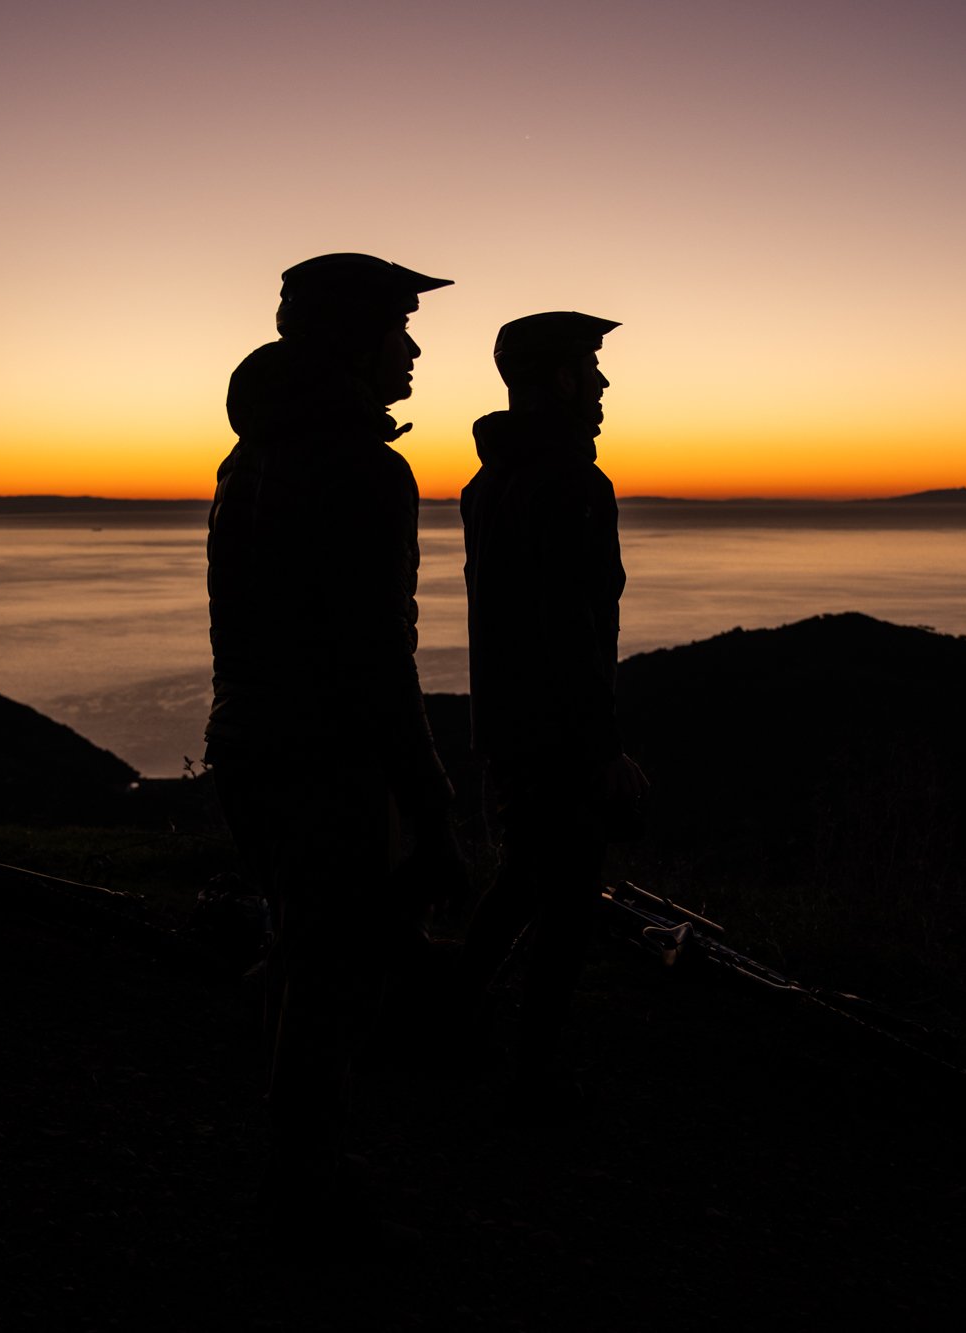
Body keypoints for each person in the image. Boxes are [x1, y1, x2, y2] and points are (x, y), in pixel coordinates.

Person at [206, 252, 464, 1246]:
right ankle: (302, 1183)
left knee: (303, 947)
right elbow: (377, 654)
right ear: (354, 341)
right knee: (330, 973)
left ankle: (298, 1159)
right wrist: (430, 800)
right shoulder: (363, 466)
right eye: (398, 330)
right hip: (328, 755)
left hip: (246, 742)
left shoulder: (249, 456)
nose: (411, 351)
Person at [457, 311, 646, 1111]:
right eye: (590, 369)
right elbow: (574, 626)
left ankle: (448, 1023)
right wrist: (603, 748)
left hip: (506, 724)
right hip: (559, 733)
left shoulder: (488, 482)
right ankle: (531, 1077)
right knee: (566, 902)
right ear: (562, 378)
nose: (602, 384)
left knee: (522, 881)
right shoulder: (573, 483)